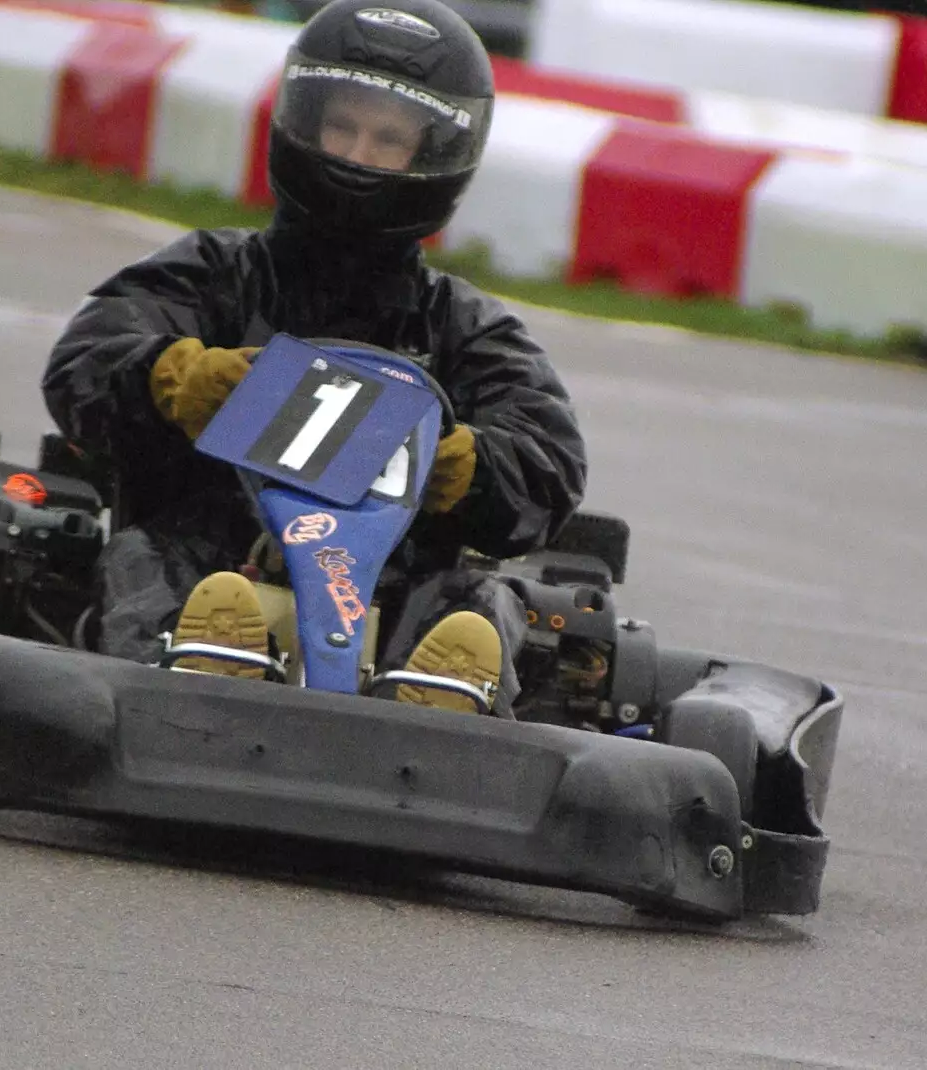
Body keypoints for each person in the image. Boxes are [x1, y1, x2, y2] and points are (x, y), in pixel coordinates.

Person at [41, 0, 586, 715]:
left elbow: (548, 461)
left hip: (391, 591)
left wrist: (459, 466)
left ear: (432, 158)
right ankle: (195, 672)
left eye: (388, 139)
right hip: (215, 556)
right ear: (303, 121)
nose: (358, 156)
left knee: (478, 599)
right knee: (151, 556)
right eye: (342, 126)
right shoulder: (212, 272)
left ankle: (437, 704)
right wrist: (179, 379)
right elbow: (89, 356)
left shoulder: (464, 327)